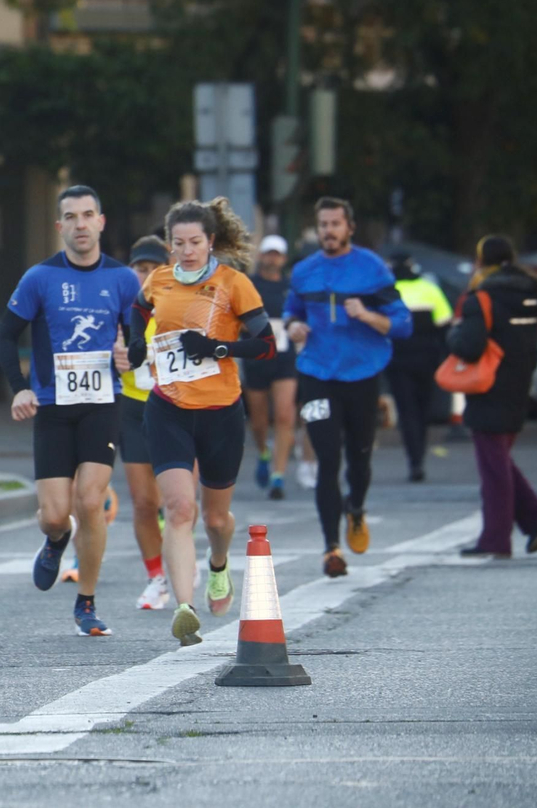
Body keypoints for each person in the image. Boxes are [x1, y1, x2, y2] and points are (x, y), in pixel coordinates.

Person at [124, 198, 277, 648]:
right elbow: (139, 310)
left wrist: (216, 348)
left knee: (215, 518)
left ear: (211, 242)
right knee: (178, 508)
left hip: (220, 413)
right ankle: (184, 608)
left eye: (195, 242)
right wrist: (136, 342)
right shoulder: (160, 279)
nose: (187, 251)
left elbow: (266, 345)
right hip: (168, 407)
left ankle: (219, 562)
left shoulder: (233, 284)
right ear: (169, 245)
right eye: (179, 243)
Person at [0, 185, 142, 637]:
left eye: (88, 215)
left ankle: (87, 602)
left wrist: (129, 357)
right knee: (56, 513)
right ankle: (56, 539)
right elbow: (4, 337)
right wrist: (20, 389)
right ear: (60, 226)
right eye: (71, 217)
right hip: (54, 407)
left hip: (102, 404)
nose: (81, 224)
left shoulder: (123, 280)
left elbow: (139, 343)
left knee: (90, 500)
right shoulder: (40, 278)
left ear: (101, 221)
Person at [284, 198, 412, 578]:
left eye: (336, 224)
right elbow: (293, 310)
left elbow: (403, 324)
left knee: (359, 457)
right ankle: (331, 548)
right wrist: (293, 326)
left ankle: (356, 508)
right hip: (317, 373)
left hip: (361, 374)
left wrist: (368, 315)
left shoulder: (370, 268)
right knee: (327, 460)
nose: (329, 231)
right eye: (323, 224)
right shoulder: (305, 271)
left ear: (349, 228)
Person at [448, 236, 537, 557]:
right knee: (499, 459)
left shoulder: (481, 296)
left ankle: (496, 539)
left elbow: (469, 345)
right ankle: (536, 518)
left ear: (482, 261)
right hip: (521, 379)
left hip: (488, 383)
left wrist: (453, 334)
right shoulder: (533, 291)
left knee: (493, 467)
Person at [116, 235, 172, 610]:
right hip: (133, 407)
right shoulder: (122, 308)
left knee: (181, 501)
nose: (147, 275)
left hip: (177, 408)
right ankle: (156, 577)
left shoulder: (180, 305)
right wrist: (114, 357)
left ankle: (184, 551)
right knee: (142, 502)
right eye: (141, 268)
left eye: (155, 268)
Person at [242, 235, 301, 500]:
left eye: (277, 254)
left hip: (284, 357)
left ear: (284, 259)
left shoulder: (291, 287)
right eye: (269, 254)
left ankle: (278, 476)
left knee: (286, 415)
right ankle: (264, 453)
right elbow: (234, 315)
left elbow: (300, 314)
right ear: (261, 256)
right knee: (259, 419)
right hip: (256, 356)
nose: (272, 258)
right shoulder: (249, 285)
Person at [386, 252, 453, 482]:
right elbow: (445, 326)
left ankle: (414, 459)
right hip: (427, 360)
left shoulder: (388, 290)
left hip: (397, 361)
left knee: (407, 412)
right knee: (423, 411)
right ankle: (419, 457)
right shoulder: (429, 289)